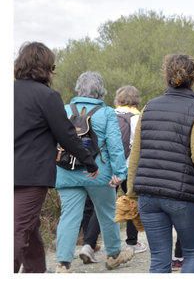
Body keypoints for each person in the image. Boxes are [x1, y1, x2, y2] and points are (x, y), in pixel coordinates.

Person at [126, 54, 194, 273]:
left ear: (166, 76)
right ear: (193, 77)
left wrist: (132, 191)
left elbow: (136, 154)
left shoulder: (149, 107)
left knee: (159, 260)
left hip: (148, 196)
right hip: (182, 196)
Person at [14, 42, 97, 273]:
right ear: (45, 67)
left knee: (29, 227)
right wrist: (89, 161)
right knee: (18, 230)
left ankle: (36, 272)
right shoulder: (47, 96)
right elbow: (67, 135)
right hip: (30, 175)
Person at [54, 71, 133, 273]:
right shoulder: (106, 113)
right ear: (101, 91)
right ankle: (113, 255)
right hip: (99, 174)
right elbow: (115, 146)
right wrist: (120, 173)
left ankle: (62, 263)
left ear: (78, 88)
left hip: (67, 171)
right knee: (107, 213)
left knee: (69, 215)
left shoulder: (63, 110)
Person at [78, 85, 147, 263]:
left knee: (100, 206)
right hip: (129, 166)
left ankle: (89, 244)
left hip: (106, 167)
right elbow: (138, 144)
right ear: (136, 100)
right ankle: (132, 242)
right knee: (130, 201)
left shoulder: (107, 113)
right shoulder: (139, 117)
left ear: (118, 99)